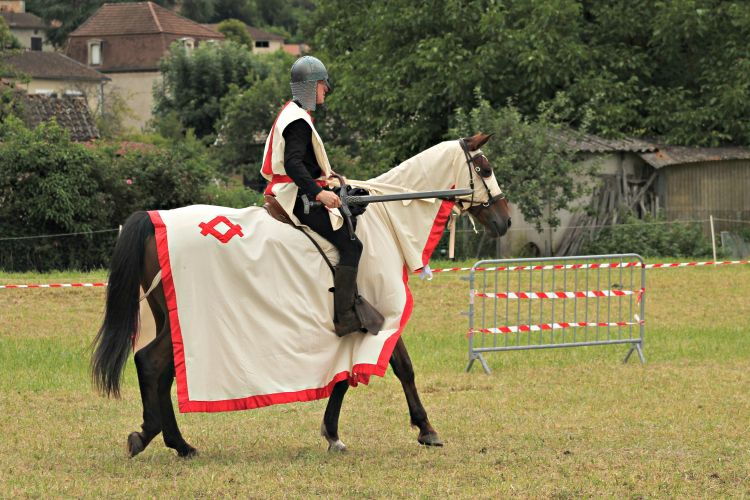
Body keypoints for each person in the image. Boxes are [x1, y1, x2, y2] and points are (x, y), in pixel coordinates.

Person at [260, 55, 369, 337]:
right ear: (310, 86)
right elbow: (294, 164)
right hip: (293, 197)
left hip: (296, 191)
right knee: (351, 246)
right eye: (322, 84)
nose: (326, 90)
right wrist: (320, 194)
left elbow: (304, 165)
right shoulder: (297, 120)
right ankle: (344, 316)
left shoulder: (295, 114)